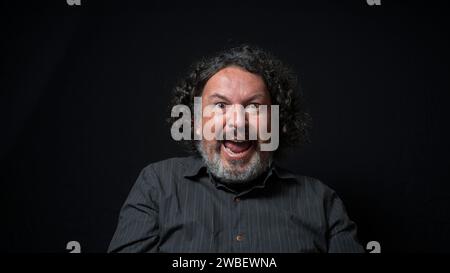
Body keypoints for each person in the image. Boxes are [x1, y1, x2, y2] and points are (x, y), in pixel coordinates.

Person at [108, 45, 364, 253]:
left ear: (276, 123)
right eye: (220, 106)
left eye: (253, 107)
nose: (237, 122)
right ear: (196, 122)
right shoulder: (158, 185)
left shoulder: (321, 202)